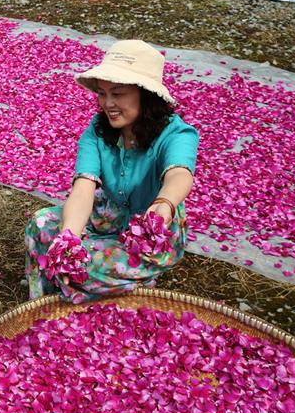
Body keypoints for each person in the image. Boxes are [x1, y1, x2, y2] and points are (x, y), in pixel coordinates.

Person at [24, 40, 199, 303]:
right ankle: (45, 305)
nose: (107, 103)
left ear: (145, 94)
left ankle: (123, 285)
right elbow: (83, 189)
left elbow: (179, 173)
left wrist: (164, 203)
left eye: (117, 94)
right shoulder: (97, 130)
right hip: (111, 213)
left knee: (85, 265)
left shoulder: (176, 133)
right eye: (102, 93)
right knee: (41, 227)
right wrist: (68, 240)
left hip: (151, 231)